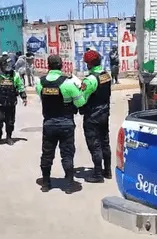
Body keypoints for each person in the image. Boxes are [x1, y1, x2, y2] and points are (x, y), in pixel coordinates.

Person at [36, 55, 86, 194]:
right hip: (66, 124)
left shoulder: (40, 82)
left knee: (47, 154)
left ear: (48, 66)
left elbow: (42, 98)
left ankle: (46, 184)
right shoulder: (69, 83)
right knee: (67, 154)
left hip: (49, 124)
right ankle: (69, 184)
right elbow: (80, 103)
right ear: (61, 65)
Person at [79, 49, 113, 183]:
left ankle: (98, 174)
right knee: (105, 142)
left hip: (92, 115)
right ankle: (108, 171)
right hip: (105, 113)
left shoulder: (90, 79)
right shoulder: (106, 75)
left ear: (89, 64)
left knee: (94, 144)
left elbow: (82, 99)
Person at [0, 55, 27, 145]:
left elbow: (20, 86)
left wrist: (24, 97)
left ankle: (9, 137)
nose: (8, 66)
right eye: (6, 64)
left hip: (11, 102)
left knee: (10, 122)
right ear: (2, 65)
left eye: (10, 64)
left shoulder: (15, 75)